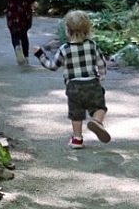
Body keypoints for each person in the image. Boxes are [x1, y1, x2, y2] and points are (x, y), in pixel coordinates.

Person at [34, 9, 111, 149]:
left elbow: (52, 66)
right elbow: (101, 63)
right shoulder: (92, 45)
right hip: (92, 83)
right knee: (99, 107)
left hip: (73, 86)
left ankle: (77, 139)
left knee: (76, 114)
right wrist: (101, 79)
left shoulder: (64, 49)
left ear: (67, 30)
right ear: (87, 30)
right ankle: (97, 122)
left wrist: (40, 55)